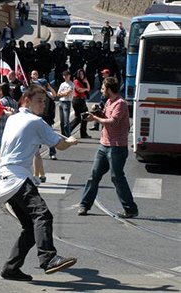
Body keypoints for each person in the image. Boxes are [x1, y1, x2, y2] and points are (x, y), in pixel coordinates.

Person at [0, 85, 78, 281]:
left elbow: (16, 119)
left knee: (29, 226)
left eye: (44, 102)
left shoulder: (14, 118)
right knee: (42, 215)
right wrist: (70, 141)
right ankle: (48, 259)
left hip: (6, 179)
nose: (43, 105)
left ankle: (11, 268)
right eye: (39, 101)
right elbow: (60, 146)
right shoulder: (36, 122)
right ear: (26, 100)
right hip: (17, 178)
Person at [78, 77, 138, 218]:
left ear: (109, 89)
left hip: (117, 147)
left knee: (117, 177)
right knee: (94, 175)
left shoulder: (120, 103)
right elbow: (106, 117)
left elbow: (112, 122)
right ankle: (84, 205)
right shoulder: (109, 102)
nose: (101, 91)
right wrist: (97, 112)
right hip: (104, 145)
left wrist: (95, 118)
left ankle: (130, 209)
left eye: (103, 88)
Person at [70, 68, 91, 138]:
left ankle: (68, 130)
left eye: (82, 74)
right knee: (83, 116)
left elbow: (89, 88)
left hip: (81, 100)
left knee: (79, 117)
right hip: (77, 100)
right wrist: (85, 89)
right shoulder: (76, 81)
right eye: (80, 74)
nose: (81, 75)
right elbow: (79, 90)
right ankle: (82, 133)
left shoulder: (83, 81)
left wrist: (86, 81)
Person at [57, 70, 74, 137]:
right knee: (62, 121)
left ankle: (68, 135)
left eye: (67, 75)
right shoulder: (62, 84)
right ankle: (63, 135)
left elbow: (67, 93)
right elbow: (58, 94)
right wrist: (63, 93)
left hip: (67, 102)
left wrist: (62, 93)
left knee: (66, 121)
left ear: (69, 76)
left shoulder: (71, 84)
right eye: (64, 75)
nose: (66, 77)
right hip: (61, 102)